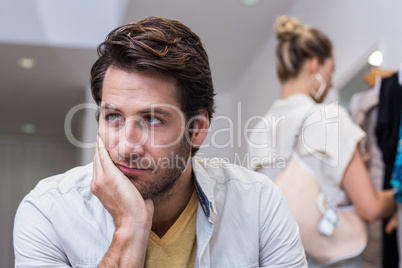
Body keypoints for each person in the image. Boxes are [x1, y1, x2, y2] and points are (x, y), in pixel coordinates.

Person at [14, 16, 307, 267]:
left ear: (198, 129)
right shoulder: (49, 211)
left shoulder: (258, 204)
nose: (127, 146)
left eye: (153, 119)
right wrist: (129, 230)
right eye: (113, 116)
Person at [247, 15, 397, 267]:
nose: (331, 81)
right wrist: (398, 195)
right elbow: (370, 207)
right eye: (332, 70)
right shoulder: (328, 117)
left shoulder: (259, 129)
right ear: (315, 65)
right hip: (333, 258)